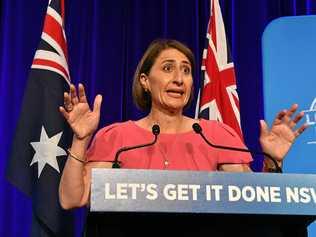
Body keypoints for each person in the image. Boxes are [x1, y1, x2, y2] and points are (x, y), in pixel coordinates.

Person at [58, 39, 307, 235]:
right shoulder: (117, 137)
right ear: (145, 80)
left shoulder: (216, 136)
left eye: (186, 71)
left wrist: (273, 163)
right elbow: (72, 199)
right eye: (168, 69)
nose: (179, 79)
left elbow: (250, 203)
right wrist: (81, 140)